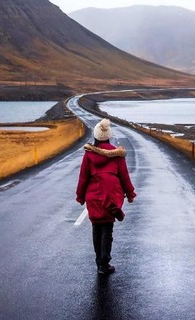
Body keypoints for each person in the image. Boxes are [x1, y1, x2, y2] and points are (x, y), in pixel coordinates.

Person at [76, 118, 136, 275]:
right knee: (107, 230)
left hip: (94, 198)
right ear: (108, 136)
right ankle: (104, 263)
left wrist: (80, 196)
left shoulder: (89, 155)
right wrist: (130, 194)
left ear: (96, 136)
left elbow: (83, 177)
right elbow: (124, 177)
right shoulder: (117, 155)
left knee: (97, 228)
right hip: (110, 198)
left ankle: (99, 263)